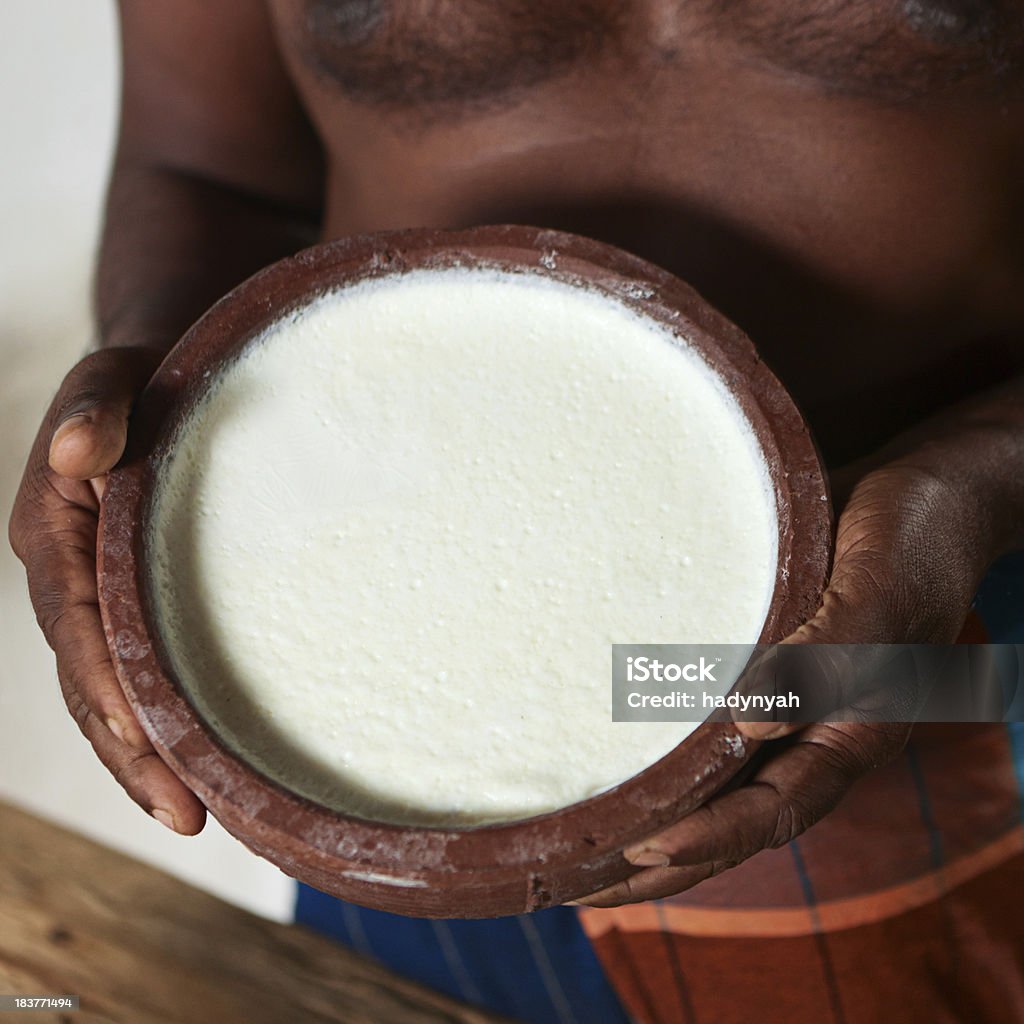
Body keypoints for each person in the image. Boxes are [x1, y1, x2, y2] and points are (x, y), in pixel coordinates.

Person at [9, 1, 1024, 1020]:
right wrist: (137, 408)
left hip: (928, 597)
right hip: (371, 635)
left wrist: (973, 486)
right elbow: (207, 172)